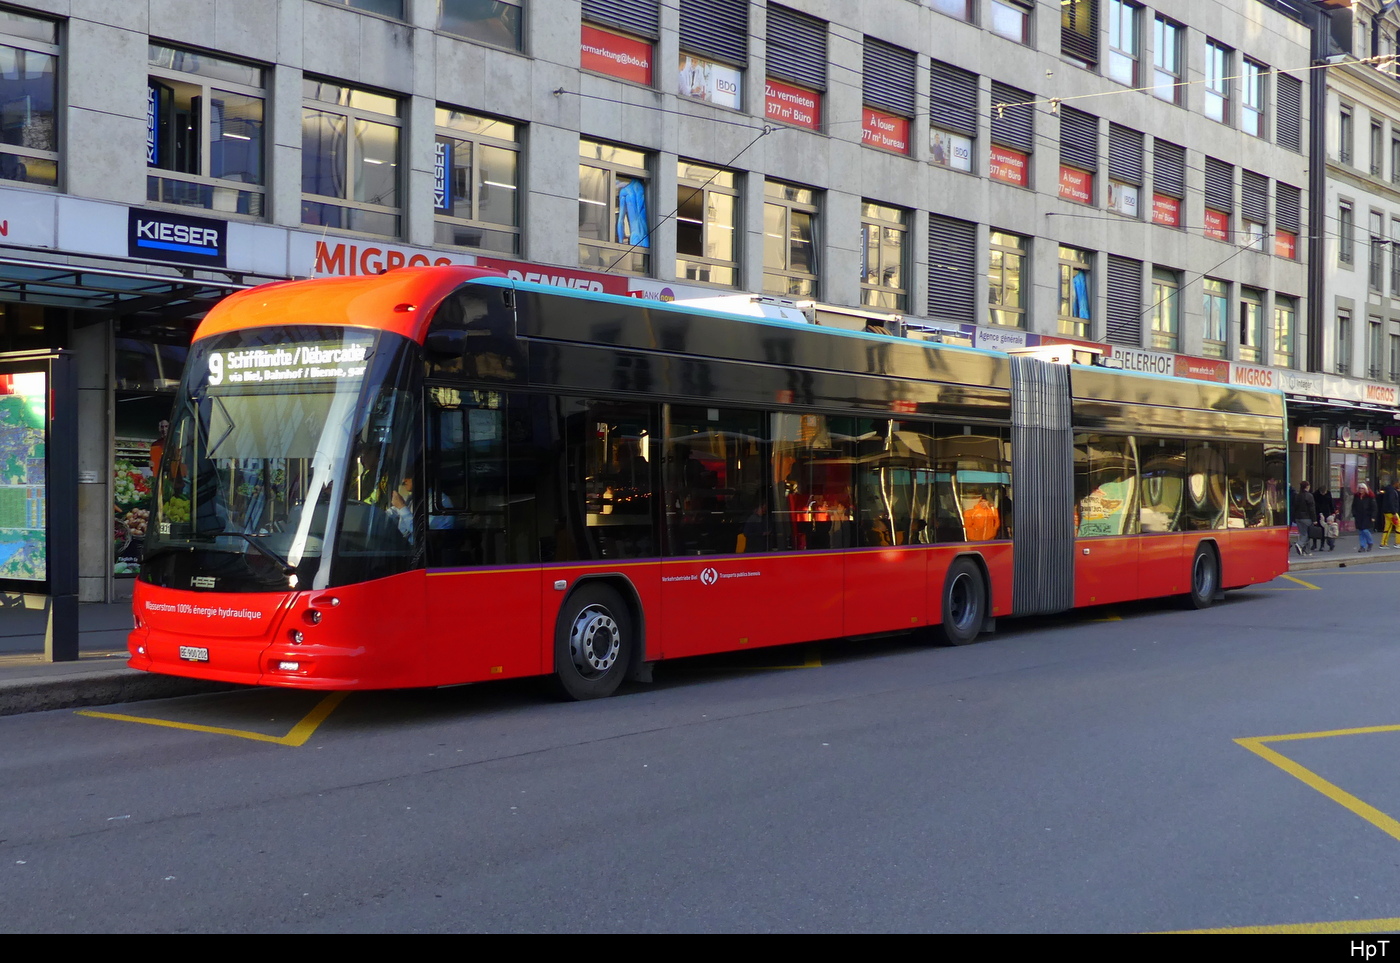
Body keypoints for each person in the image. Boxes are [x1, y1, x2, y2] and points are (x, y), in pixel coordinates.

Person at [1293, 481, 1316, 556]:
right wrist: (1314, 519)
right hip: (1306, 517)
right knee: (1307, 534)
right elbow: (1311, 508)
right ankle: (1299, 544)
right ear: (1307, 487)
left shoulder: (1297, 496)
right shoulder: (1309, 496)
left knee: (1303, 533)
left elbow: (1294, 507)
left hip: (1298, 517)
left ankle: (1306, 551)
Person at [1353, 484, 1377, 553]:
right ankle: (1362, 546)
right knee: (1361, 531)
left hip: (1367, 516)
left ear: (1365, 489)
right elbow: (1354, 505)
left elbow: (1374, 508)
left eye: (1362, 488)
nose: (1361, 489)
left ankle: (1370, 542)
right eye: (1359, 488)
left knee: (1365, 530)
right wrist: (1354, 513)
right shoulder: (1356, 496)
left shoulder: (1370, 496)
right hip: (1359, 516)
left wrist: (1373, 516)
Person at [1380, 482, 1400, 547]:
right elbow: (1391, 502)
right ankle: (1397, 542)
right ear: (1395, 483)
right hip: (1391, 512)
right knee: (1399, 526)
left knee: (1387, 527)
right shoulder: (1392, 491)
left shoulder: (1388, 490)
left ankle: (1383, 543)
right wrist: (1394, 512)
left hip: (1386, 511)